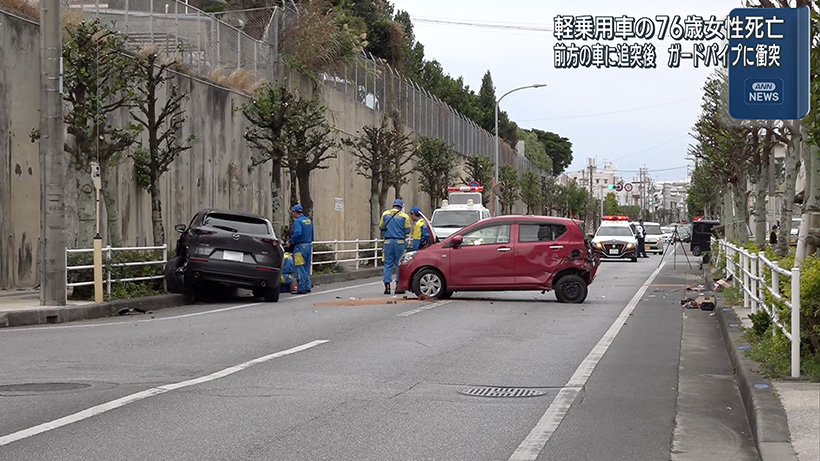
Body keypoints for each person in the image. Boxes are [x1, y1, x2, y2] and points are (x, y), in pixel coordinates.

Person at [380, 198, 411, 294]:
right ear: (401, 207)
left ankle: (387, 287)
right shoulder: (405, 216)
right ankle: (398, 287)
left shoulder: (385, 214)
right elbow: (407, 230)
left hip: (388, 242)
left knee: (388, 264)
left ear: (393, 205)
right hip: (400, 242)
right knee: (399, 265)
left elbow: (381, 226)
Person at [288, 204, 314, 294]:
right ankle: (307, 286)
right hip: (308, 245)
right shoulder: (308, 221)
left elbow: (298, 233)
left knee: (299, 267)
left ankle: (301, 288)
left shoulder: (298, 222)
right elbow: (312, 234)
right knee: (306, 267)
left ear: (295, 212)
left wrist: (290, 241)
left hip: (300, 247)